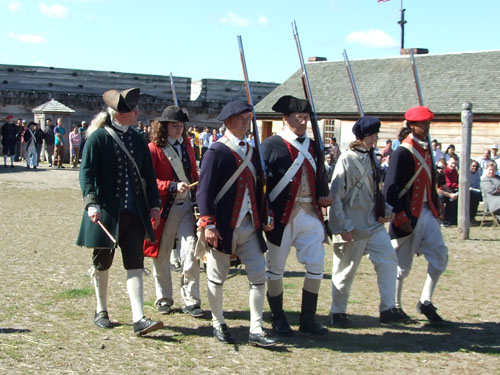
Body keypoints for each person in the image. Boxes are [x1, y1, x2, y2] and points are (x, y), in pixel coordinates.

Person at [76, 87, 164, 336]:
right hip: (106, 212)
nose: (138, 112)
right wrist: (91, 202)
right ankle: (101, 309)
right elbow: (87, 173)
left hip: (134, 213)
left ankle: (139, 318)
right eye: (132, 109)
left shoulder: (138, 139)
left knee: (135, 263)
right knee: (102, 262)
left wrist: (155, 205)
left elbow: (149, 175)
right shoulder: (98, 138)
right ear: (118, 113)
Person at [196, 101, 279, 347]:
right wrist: (209, 224)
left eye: (248, 118)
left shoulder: (253, 152)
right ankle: (218, 321)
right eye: (242, 118)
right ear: (229, 121)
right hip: (222, 225)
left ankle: (256, 328)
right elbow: (204, 192)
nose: (247, 122)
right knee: (216, 276)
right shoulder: (216, 151)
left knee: (258, 275)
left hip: (250, 225)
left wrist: (266, 214)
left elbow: (260, 188)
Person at [328, 116, 409, 327]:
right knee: (345, 270)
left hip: (373, 223)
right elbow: (336, 195)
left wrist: (386, 210)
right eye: (372, 135)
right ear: (363, 137)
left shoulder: (373, 158)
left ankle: (388, 308)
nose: (375, 138)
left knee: (388, 260)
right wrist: (343, 226)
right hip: (352, 225)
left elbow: (376, 191)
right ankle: (338, 312)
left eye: (376, 135)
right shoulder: (347, 158)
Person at [261, 95, 332, 336]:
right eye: (296, 118)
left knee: (316, 265)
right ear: (285, 119)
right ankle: (278, 317)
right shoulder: (271, 145)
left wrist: (324, 194)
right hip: (282, 216)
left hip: (309, 212)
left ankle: (308, 319)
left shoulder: (313, 146)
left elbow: (320, 176)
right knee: (276, 268)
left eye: (305, 117)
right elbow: (262, 183)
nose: (302, 122)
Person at [384, 106, 448, 324]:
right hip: (409, 213)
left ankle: (426, 301)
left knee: (440, 257)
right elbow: (391, 188)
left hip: (427, 211)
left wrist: (437, 204)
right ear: (412, 125)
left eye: (428, 123)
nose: (426, 127)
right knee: (402, 267)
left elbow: (431, 182)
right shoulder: (402, 151)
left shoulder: (427, 149)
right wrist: (400, 215)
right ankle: (394, 306)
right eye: (423, 123)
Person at [143, 106, 205, 318]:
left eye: (181, 125)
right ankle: (164, 298)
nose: (179, 129)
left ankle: (191, 300)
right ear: (164, 126)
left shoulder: (187, 145)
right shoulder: (153, 149)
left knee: (191, 254)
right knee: (161, 255)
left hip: (187, 205)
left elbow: (193, 173)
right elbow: (148, 182)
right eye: (174, 125)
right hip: (164, 208)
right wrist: (170, 186)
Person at [442, 157, 459, 225]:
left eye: (455, 164)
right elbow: (448, 184)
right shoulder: (445, 171)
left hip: (453, 190)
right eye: (452, 163)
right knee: (452, 199)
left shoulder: (455, 171)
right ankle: (449, 219)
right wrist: (458, 185)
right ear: (448, 162)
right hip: (444, 191)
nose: (453, 165)